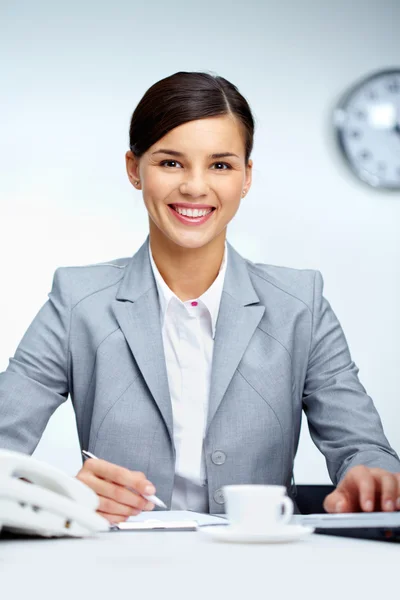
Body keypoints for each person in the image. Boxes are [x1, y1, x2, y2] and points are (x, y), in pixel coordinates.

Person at [0, 72, 399, 524]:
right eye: (171, 163)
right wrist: (62, 496)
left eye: (220, 165)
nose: (194, 186)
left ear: (247, 177)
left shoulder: (299, 303)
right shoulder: (78, 301)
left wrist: (372, 478)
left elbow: (364, 449)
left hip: (261, 570)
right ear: (134, 169)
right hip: (119, 572)